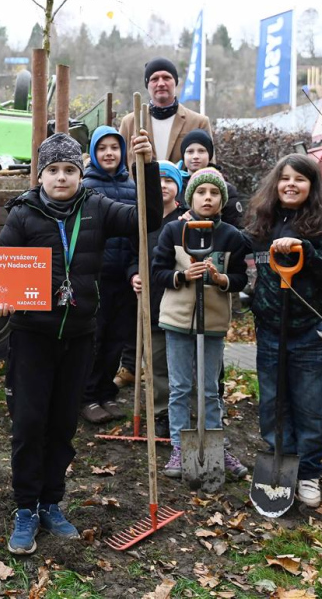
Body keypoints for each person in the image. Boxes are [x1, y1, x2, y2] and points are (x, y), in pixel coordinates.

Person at [0, 131, 161, 556]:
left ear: (80, 172)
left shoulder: (98, 206)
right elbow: (0, 270)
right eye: (53, 170)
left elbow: (149, 218)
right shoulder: (23, 214)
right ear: (41, 174)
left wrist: (148, 165)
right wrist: (0, 298)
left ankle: (51, 502)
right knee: (30, 424)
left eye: (69, 169)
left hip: (80, 335)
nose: (62, 177)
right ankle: (26, 508)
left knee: (64, 425)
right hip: (32, 338)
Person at [246, 154, 322, 509]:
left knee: (312, 406)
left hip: (310, 332)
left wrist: (308, 252)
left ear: (311, 186)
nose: (291, 184)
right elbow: (240, 255)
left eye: (299, 179)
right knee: (273, 403)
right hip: (270, 330)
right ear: (275, 184)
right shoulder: (262, 224)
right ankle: (281, 462)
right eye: (285, 178)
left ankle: (308, 472)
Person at [152, 168, 249, 480]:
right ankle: (181, 447)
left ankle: (214, 445)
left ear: (222, 199)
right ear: (189, 197)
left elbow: (240, 279)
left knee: (209, 389)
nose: (208, 198)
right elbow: (158, 272)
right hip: (178, 319)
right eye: (201, 192)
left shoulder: (232, 237)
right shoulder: (173, 231)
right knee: (179, 387)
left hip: (214, 322)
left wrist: (222, 279)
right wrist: (182, 276)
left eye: (214, 193)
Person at [123, 161, 189, 438]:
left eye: (169, 180)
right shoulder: (142, 220)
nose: (162, 185)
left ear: (179, 187)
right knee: (158, 364)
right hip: (151, 305)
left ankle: (187, 414)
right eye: (157, 180)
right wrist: (133, 274)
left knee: (184, 368)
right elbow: (131, 256)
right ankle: (161, 413)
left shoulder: (187, 220)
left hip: (181, 304)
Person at [79, 126, 137, 425]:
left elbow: (140, 231)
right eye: (102, 148)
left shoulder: (132, 186)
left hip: (125, 276)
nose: (109, 153)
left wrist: (136, 268)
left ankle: (106, 393)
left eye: (115, 147)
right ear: (93, 153)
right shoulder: (86, 186)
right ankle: (87, 396)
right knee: (96, 337)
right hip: (96, 275)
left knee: (118, 338)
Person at [118, 57, 213, 163]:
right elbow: (119, 169)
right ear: (147, 85)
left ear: (175, 82)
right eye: (154, 79)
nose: (161, 83)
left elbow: (209, 171)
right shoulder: (130, 123)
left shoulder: (198, 122)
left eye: (166, 78)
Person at [176, 129, 245, 228]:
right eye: (190, 151)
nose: (195, 156)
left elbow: (237, 228)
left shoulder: (226, 189)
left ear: (209, 154)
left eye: (201, 151)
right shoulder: (176, 186)